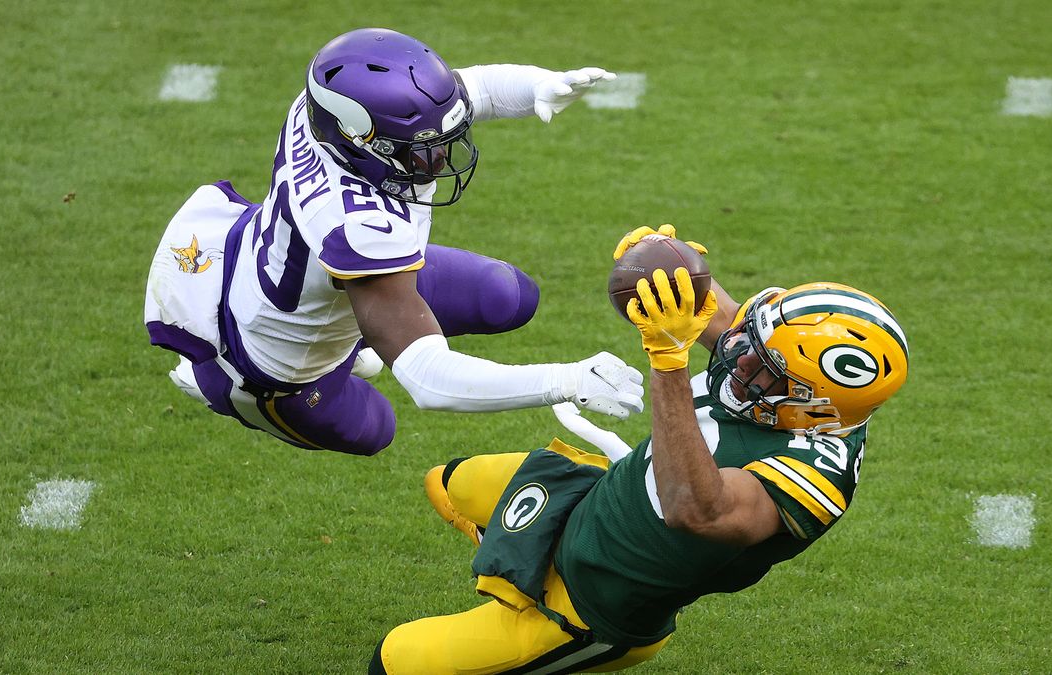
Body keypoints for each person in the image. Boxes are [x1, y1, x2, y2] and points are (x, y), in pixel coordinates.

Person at [367, 226, 910, 673]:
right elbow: (719, 316)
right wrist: (665, 266)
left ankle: (533, 607)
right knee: (450, 483)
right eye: (754, 346)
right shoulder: (783, 374)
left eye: (764, 371)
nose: (740, 360)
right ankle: (520, 562)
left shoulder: (817, 478)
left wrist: (669, 363)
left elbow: (695, 507)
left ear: (811, 407)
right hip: (594, 499)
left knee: (397, 661)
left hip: (594, 604)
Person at [144, 28, 643, 456]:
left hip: (295, 271)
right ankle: (211, 379)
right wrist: (567, 381)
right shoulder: (356, 226)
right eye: (423, 150)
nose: (444, 157)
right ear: (362, 141)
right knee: (376, 428)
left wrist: (537, 84)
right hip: (278, 367)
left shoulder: (324, 112)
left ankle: (362, 329)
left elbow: (471, 93)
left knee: (507, 297)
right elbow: (428, 379)